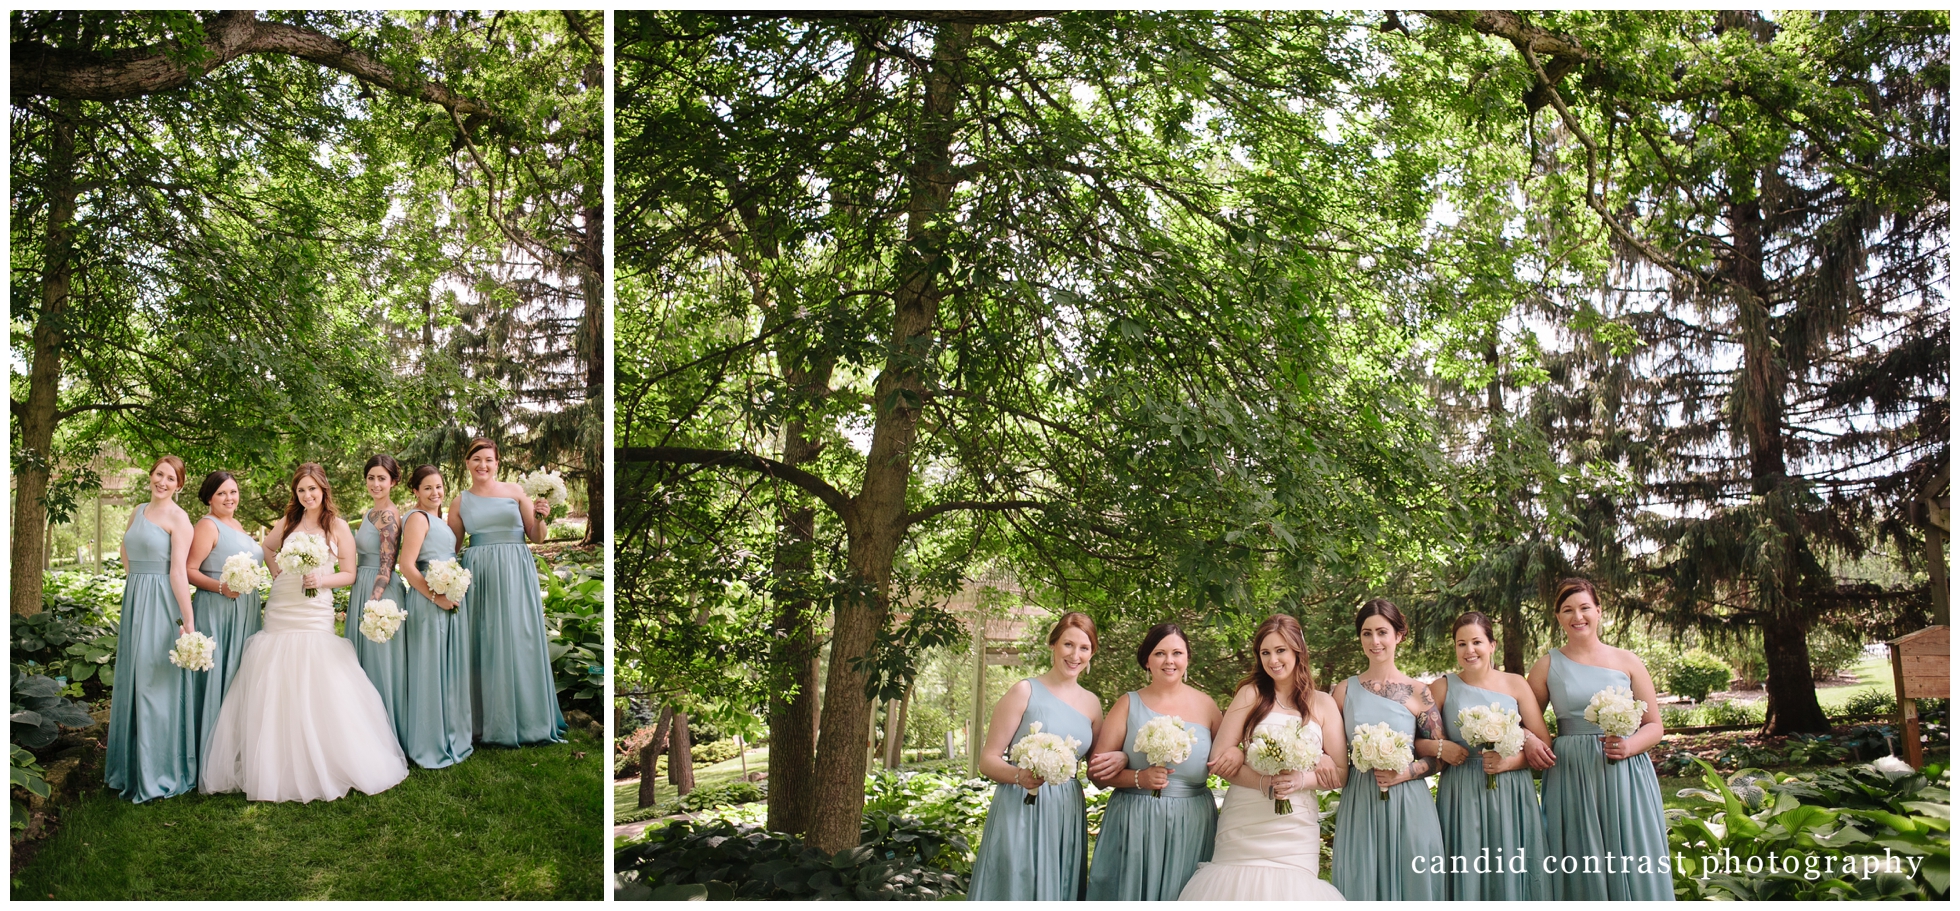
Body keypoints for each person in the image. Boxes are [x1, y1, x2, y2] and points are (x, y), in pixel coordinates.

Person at [200, 463, 409, 802]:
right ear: (296, 494)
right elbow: (268, 549)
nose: (307, 495)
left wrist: (321, 580)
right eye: (301, 490)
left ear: (323, 490)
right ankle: (274, 759)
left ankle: (327, 756)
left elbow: (350, 573)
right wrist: (279, 573)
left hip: (315, 609)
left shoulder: (338, 526)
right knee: (274, 669)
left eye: (313, 489)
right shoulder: (288, 522)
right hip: (283, 605)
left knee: (319, 670)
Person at [1179, 614, 1346, 900]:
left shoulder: (1323, 703)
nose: (1273, 660)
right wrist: (1264, 782)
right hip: (1245, 819)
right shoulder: (1250, 695)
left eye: (1280, 650)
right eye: (1265, 652)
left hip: (1295, 828)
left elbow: (1341, 773)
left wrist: (1303, 779)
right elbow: (1219, 761)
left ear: (1298, 650)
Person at [1527, 578, 1673, 900]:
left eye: (1584, 608)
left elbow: (1654, 726)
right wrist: (1530, 740)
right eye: (1568, 610)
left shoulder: (1628, 661)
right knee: (1579, 856)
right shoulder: (1546, 665)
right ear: (1558, 617)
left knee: (1632, 853)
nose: (1577, 616)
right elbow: (1524, 722)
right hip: (1571, 773)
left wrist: (1630, 745)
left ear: (1598, 611)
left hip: (1625, 771)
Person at [967, 612, 1104, 900]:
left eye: (1084, 648)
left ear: (1091, 653)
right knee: (1017, 883)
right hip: (1022, 805)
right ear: (1053, 644)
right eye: (1068, 644)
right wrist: (1021, 776)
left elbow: (1097, 766)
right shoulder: (1024, 691)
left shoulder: (1092, 704)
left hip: (1066, 810)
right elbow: (988, 760)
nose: (1075, 655)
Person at [1083, 622, 1220, 900]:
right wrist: (1138, 777)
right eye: (1159, 653)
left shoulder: (1207, 706)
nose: (1169, 661)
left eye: (1177, 653)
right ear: (1147, 660)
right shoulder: (1128, 704)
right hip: (1135, 819)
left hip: (1193, 821)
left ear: (1187, 658)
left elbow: (1228, 756)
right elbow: (1096, 774)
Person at [448, 438, 564, 745]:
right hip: (480, 573)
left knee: (518, 638)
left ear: (497, 463)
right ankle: (487, 720)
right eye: (476, 460)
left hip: (515, 570)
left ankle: (528, 718)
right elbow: (452, 547)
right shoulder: (460, 502)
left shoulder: (516, 492)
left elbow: (536, 536)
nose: (482, 465)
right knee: (484, 641)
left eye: (488, 459)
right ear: (467, 464)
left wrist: (542, 516)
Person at [1431, 611, 1554, 899]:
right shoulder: (1441, 688)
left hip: (1511, 789)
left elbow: (1544, 746)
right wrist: (1440, 748)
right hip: (1461, 790)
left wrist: (1511, 761)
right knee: (1466, 863)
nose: (1469, 650)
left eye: (1476, 642)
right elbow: (1415, 741)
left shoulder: (1515, 684)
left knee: (1510, 863)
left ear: (1492, 645)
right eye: (1461, 644)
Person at [1329, 599, 1446, 899]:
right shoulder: (1344, 691)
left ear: (1400, 635)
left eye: (1382, 632)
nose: (1375, 641)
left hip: (1409, 802)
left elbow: (1438, 759)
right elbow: (1329, 750)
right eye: (1366, 633)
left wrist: (1406, 772)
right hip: (1360, 800)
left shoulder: (1420, 692)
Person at [104, 456, 201, 802]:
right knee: (133, 678)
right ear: (151, 475)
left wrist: (187, 620)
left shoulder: (180, 519)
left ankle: (158, 770)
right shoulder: (138, 510)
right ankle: (129, 767)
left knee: (153, 681)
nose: (162, 481)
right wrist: (136, 582)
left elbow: (178, 572)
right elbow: (124, 550)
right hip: (137, 599)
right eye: (159, 474)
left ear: (179, 485)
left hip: (162, 602)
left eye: (170, 477)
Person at [394, 465, 474, 768]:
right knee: (430, 669)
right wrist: (435, 596)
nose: (435, 493)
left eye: (439, 487)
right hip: (429, 602)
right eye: (427, 488)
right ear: (415, 491)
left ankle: (451, 734)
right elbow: (407, 565)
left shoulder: (437, 520)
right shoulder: (417, 518)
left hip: (448, 598)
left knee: (447, 669)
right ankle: (429, 742)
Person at [185, 470, 266, 759]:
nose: (229, 498)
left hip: (245, 609)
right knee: (222, 672)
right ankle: (210, 750)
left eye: (233, 492)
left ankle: (236, 746)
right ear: (209, 497)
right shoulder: (207, 525)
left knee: (240, 672)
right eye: (221, 493)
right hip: (218, 609)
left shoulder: (237, 524)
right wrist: (222, 587)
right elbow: (190, 570)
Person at [347, 455, 409, 734]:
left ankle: (387, 732)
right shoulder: (370, 513)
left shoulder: (387, 515)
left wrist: (374, 600)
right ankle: (365, 731)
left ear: (393, 482)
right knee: (363, 662)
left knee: (381, 664)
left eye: (381, 478)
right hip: (364, 583)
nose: (375, 483)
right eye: (371, 477)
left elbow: (388, 563)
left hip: (378, 589)